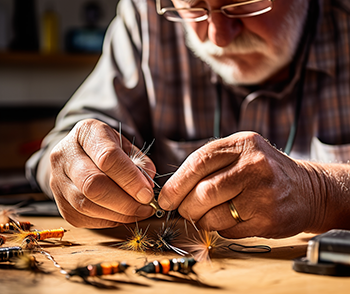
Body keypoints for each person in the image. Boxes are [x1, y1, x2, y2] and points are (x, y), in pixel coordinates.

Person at [26, 0, 350, 239]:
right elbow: (62, 145)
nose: (218, 37)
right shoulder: (148, 14)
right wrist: (73, 169)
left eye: (242, 6)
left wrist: (321, 193)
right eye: (195, 8)